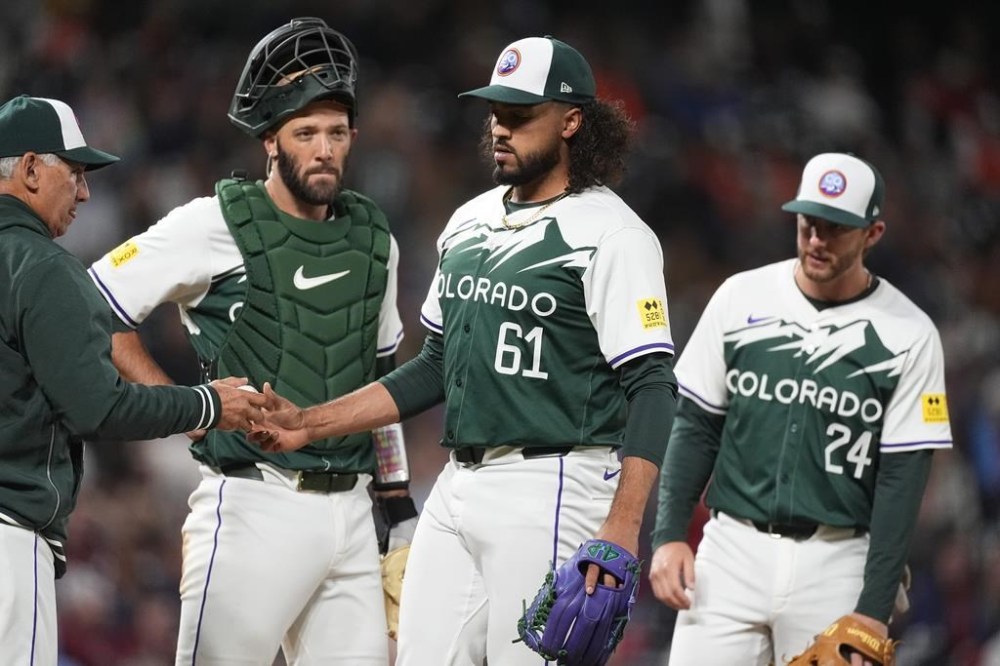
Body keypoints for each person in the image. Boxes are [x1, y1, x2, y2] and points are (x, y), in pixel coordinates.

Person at [250, 35, 679, 664]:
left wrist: (623, 525)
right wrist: (307, 425)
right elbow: (435, 367)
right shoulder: (469, 220)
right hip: (458, 483)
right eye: (496, 112)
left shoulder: (614, 235)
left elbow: (652, 384)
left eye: (520, 115)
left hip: (555, 481)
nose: (500, 128)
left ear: (571, 121)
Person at [87, 18, 416, 666]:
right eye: (305, 132)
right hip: (251, 504)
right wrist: (184, 408)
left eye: (336, 131)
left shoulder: (377, 241)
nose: (324, 148)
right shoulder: (216, 223)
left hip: (350, 515)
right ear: (270, 139)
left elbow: (379, 382)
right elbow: (93, 306)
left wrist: (396, 502)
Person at [648, 152, 953, 665]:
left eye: (835, 229)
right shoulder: (739, 297)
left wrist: (874, 609)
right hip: (732, 549)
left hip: (836, 558)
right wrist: (669, 536)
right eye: (809, 223)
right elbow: (696, 425)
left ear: (872, 233)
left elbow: (903, 480)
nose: (817, 240)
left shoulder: (911, 334)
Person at [0, 94, 267, 666]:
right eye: (74, 172)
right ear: (28, 169)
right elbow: (96, 408)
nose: (86, 191)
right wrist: (203, 405)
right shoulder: (39, 266)